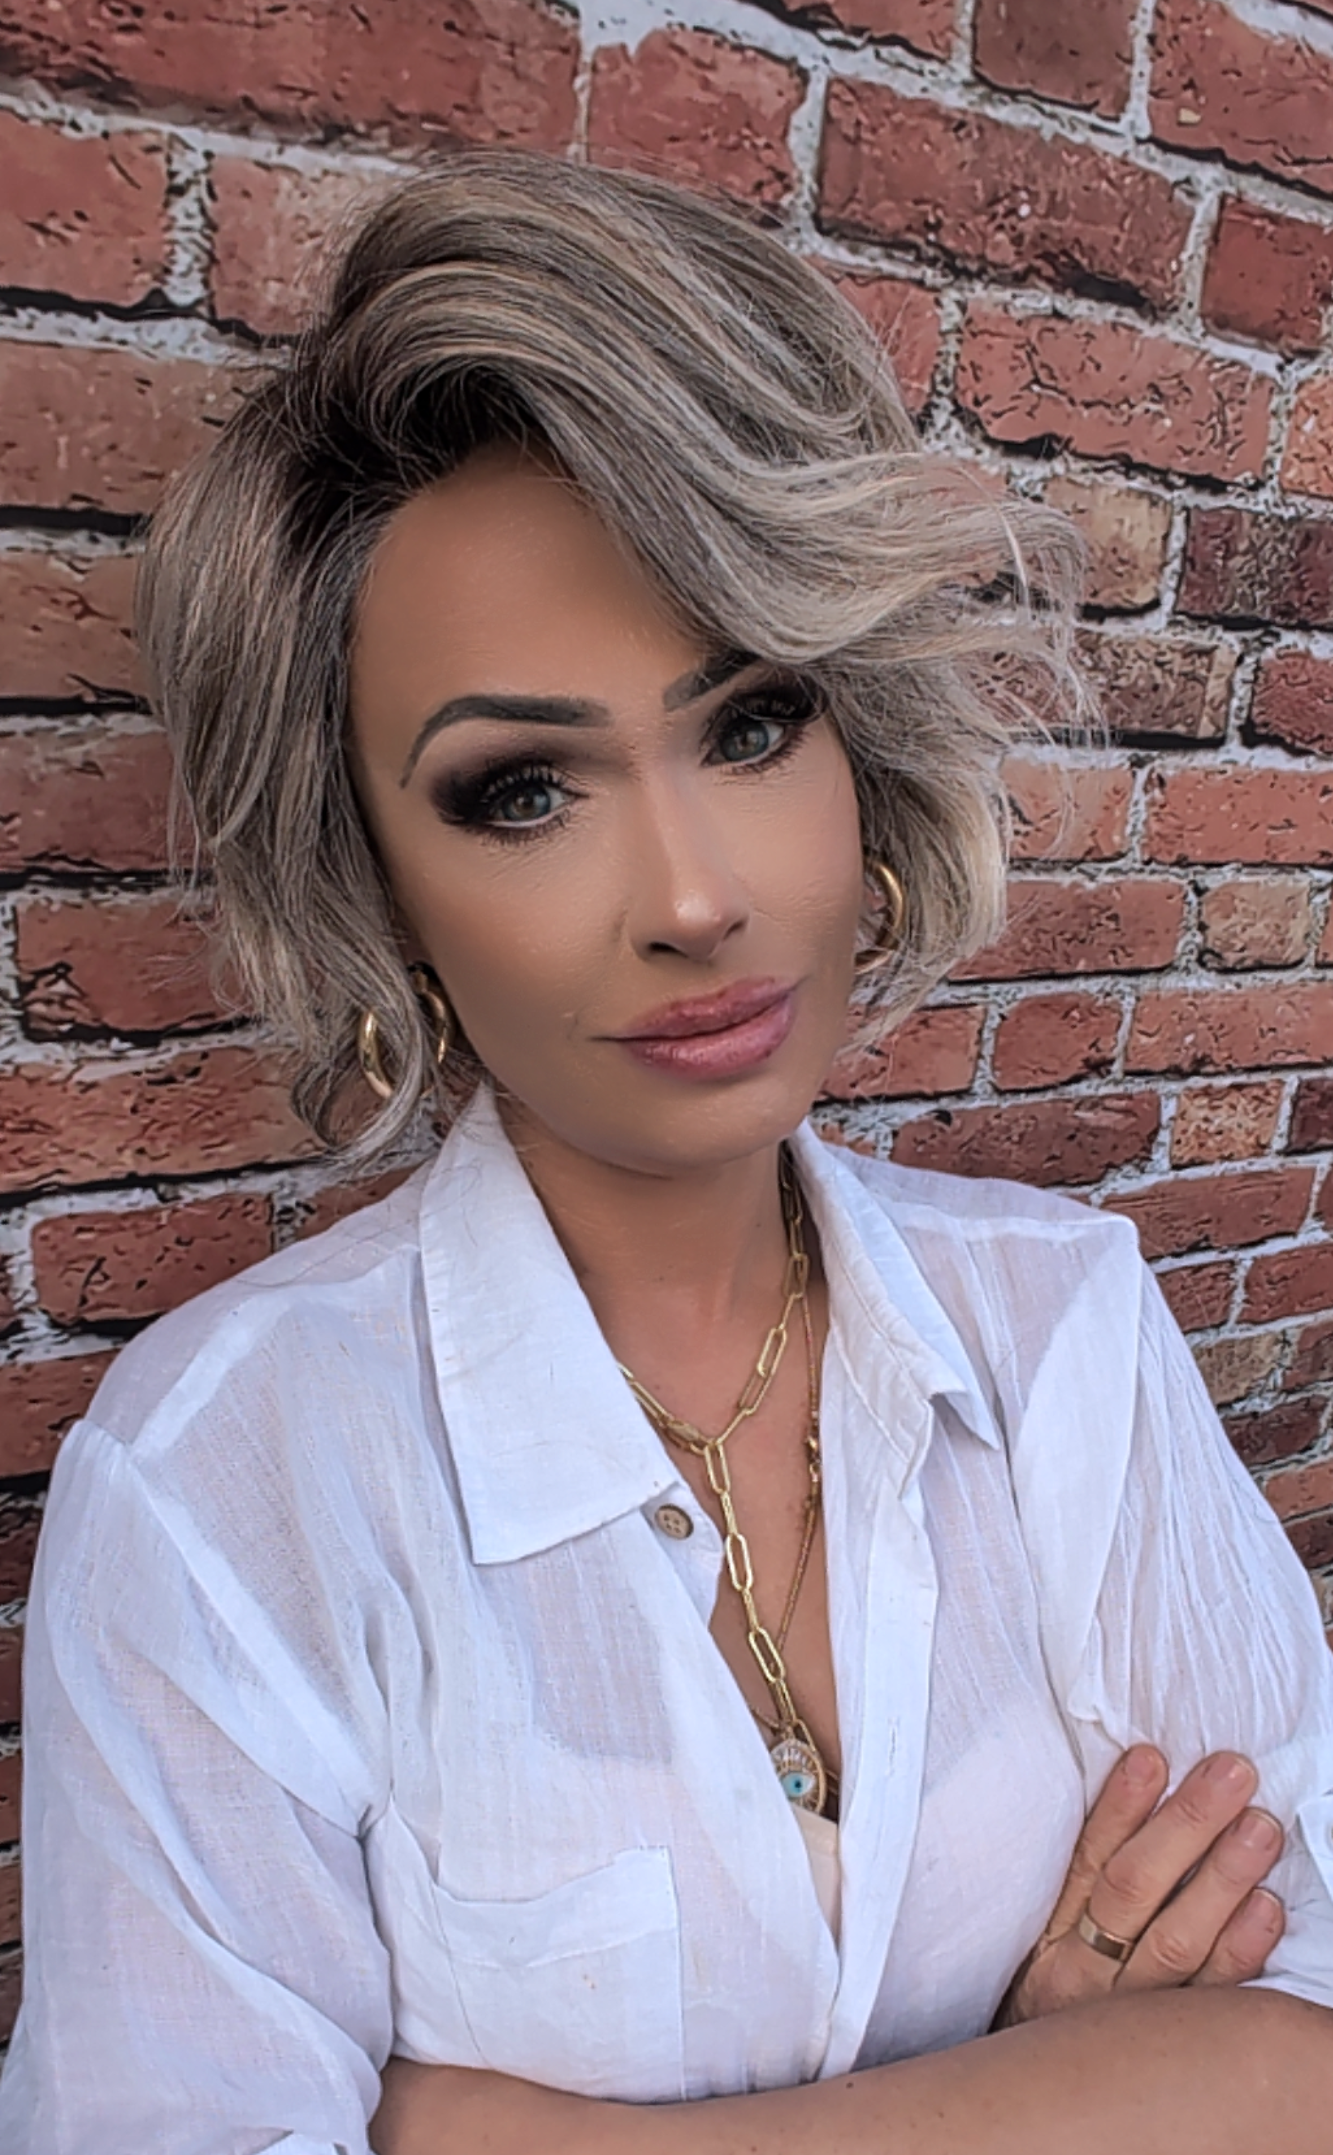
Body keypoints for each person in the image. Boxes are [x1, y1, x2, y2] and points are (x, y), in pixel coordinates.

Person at [2, 151, 1331, 2155]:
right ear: (374, 878)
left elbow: (1309, 2035)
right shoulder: (226, 1489)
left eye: (752, 722)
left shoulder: (1062, 1326)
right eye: (521, 790)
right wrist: (1058, 2078)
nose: (697, 897)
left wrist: (514, 2132)